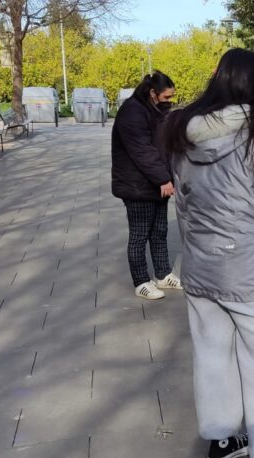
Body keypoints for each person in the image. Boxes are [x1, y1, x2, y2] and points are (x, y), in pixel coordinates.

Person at [162, 48, 254, 458]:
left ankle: (221, 439)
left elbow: (184, 210)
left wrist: (195, 257)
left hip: (201, 269)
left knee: (212, 356)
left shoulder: (182, 136)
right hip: (249, 273)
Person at [110, 71, 182, 300]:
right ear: (153, 93)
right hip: (137, 185)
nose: (170, 101)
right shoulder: (133, 111)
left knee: (159, 231)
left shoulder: (156, 110)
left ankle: (163, 274)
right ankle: (141, 281)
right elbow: (142, 150)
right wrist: (163, 178)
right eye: (167, 97)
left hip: (157, 183)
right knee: (140, 234)